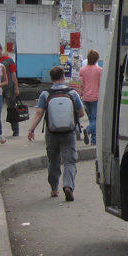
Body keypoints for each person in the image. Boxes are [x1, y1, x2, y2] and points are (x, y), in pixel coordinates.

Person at [27, 66, 85, 202]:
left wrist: (31, 129)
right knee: (70, 161)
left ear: (51, 78)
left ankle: (54, 188)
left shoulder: (45, 94)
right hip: (69, 132)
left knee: (53, 161)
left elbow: (39, 113)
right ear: (63, 77)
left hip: (52, 133)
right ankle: (68, 186)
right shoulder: (73, 93)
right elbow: (81, 113)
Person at [0, 43, 20, 137]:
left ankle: (15, 130)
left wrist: (16, 88)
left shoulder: (8, 60)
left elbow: (13, 74)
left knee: (12, 108)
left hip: (9, 87)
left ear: (1, 50)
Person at [78, 49, 103, 145]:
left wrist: (79, 97)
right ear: (97, 59)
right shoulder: (100, 70)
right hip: (96, 98)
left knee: (92, 119)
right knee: (95, 119)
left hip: (86, 98)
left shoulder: (82, 70)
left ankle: (94, 139)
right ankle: (88, 130)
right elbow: (101, 84)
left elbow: (81, 85)